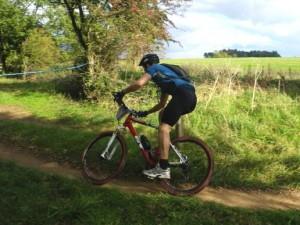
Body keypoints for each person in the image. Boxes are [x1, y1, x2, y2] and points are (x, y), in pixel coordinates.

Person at [116, 54, 197, 179]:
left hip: (183, 95)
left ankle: (163, 168)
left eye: (144, 67)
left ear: (148, 64)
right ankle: (161, 150)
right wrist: (146, 112)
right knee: (162, 114)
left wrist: (122, 93)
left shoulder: (154, 68)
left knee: (164, 128)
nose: (145, 70)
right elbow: (161, 104)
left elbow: (139, 84)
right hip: (189, 97)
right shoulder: (165, 78)